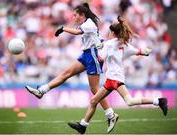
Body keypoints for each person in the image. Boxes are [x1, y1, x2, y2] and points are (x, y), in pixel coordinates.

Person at [25, 3, 118, 132]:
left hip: (93, 55)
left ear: (82, 15)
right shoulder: (87, 22)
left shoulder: (89, 24)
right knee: (65, 73)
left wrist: (63, 28)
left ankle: (111, 114)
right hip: (86, 54)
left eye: (75, 15)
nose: (73, 17)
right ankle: (42, 91)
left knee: (95, 89)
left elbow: (77, 32)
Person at [67, 16, 168, 134]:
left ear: (113, 33)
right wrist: (147, 51)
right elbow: (140, 51)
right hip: (112, 79)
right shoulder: (124, 44)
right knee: (94, 101)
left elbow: (99, 59)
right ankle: (83, 125)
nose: (109, 33)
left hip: (114, 79)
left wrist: (97, 46)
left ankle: (159, 101)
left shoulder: (110, 44)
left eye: (110, 31)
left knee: (129, 101)